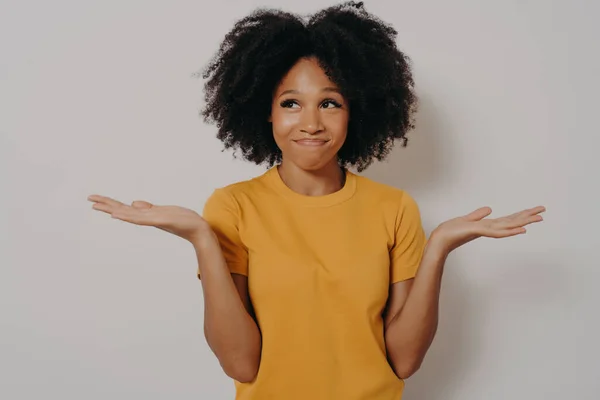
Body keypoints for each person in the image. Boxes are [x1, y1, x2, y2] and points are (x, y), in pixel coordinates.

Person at [88, 2, 545, 399]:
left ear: (356, 111)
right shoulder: (232, 207)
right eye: (291, 103)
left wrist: (440, 245)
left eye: (330, 103)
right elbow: (241, 366)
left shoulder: (395, 208)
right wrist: (201, 240)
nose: (310, 122)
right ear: (264, 111)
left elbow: (403, 361)